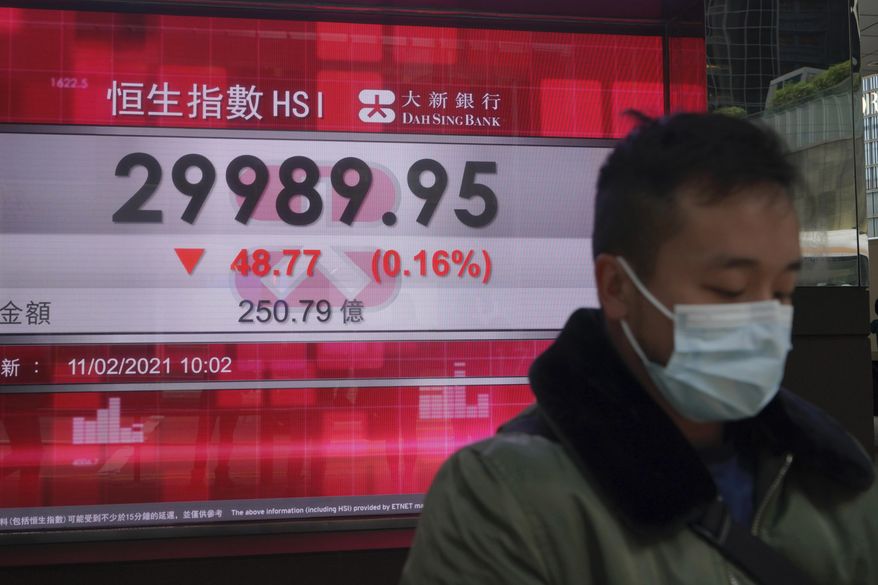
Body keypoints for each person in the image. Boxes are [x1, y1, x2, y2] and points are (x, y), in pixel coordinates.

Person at [399, 112, 878, 584]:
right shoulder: (502, 499)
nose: (764, 319)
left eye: (782, 292)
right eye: (730, 289)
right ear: (617, 286)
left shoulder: (834, 476)